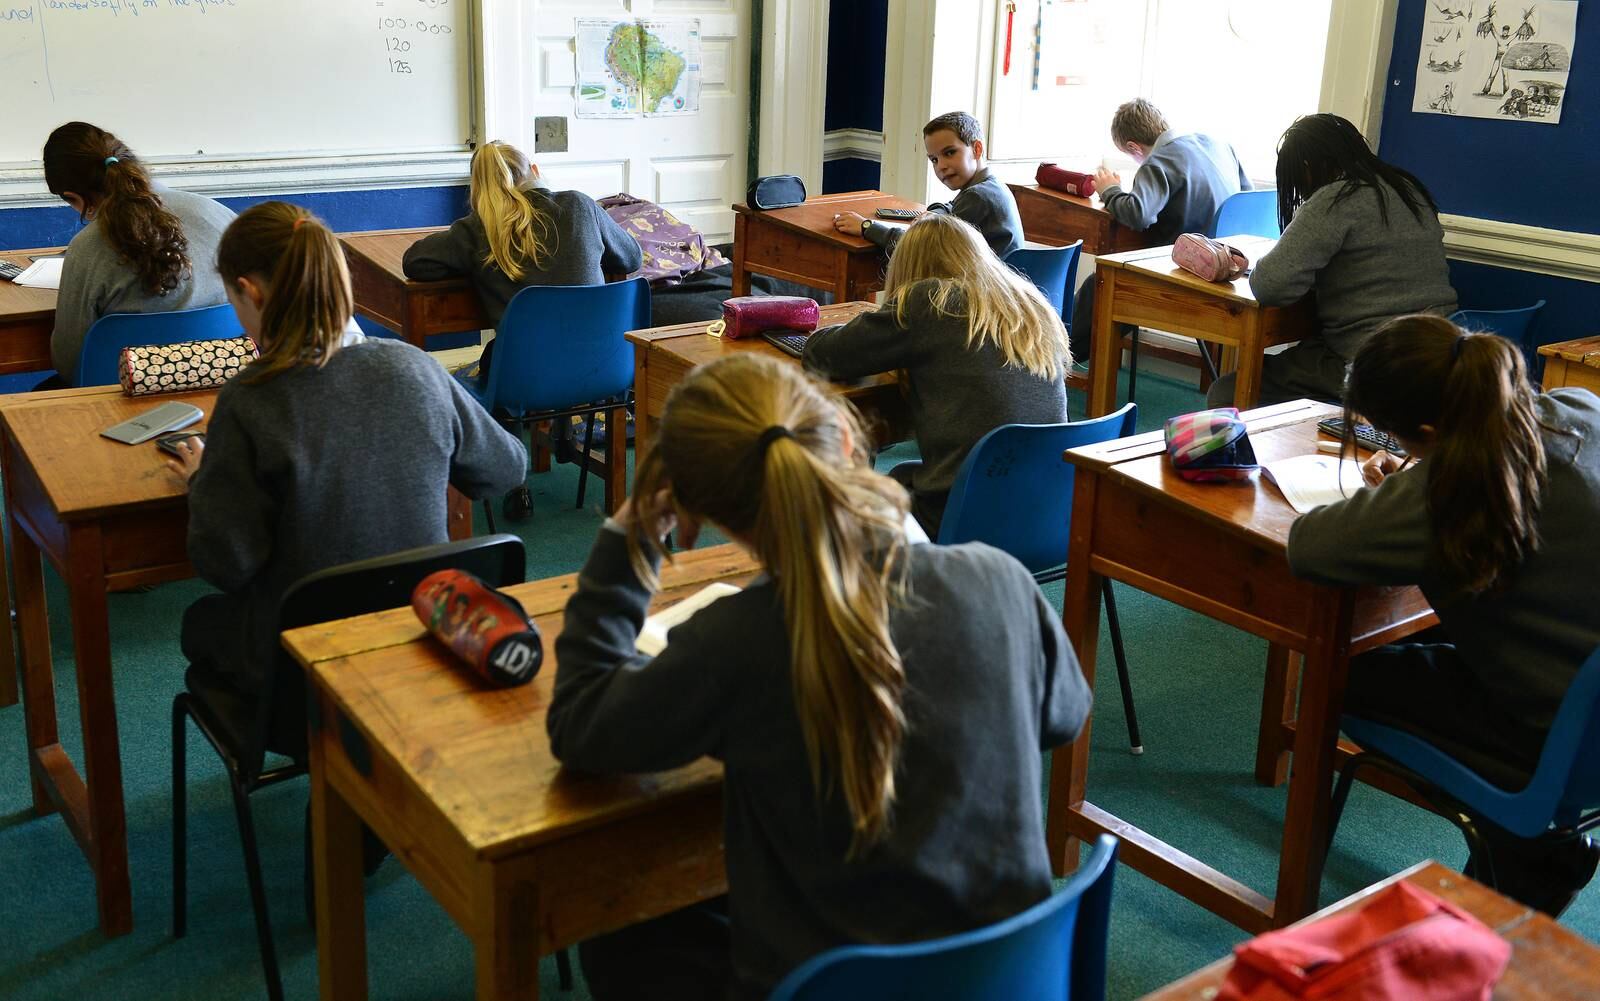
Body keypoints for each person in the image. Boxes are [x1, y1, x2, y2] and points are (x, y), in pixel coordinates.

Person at [547, 352, 1091, 1000]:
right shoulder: (998, 579)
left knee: (622, 932)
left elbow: (580, 720)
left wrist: (631, 532)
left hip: (834, 986)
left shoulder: (735, 641)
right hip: (1010, 979)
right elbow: (1064, 715)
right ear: (842, 436)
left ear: (701, 508)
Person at [167, 202, 526, 742]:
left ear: (252, 292)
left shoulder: (251, 399)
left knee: (200, 622)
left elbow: (226, 563)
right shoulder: (414, 367)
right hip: (424, 645)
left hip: (305, 682)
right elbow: (505, 469)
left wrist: (203, 482)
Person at [1287, 314, 1600, 917]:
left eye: (1399, 439)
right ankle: (1529, 850)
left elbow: (1311, 546)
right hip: (1588, 702)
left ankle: (1525, 843)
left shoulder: (1449, 490)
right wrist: (1420, 471)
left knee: (1347, 676)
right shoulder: (1581, 411)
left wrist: (1406, 489)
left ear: (1428, 431)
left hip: (1558, 735)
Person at [802, 213, 1070, 536]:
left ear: (910, 271)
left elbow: (823, 354)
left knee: (851, 501)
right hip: (1049, 514)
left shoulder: (929, 302)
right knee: (903, 475)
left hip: (966, 516)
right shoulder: (1031, 305)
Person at [1207, 114, 1458, 407]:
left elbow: (1269, 285)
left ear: (1306, 168)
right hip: (1440, 352)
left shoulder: (1336, 198)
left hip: (1375, 361)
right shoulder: (1406, 188)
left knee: (1227, 392)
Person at [402, 140, 643, 381]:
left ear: (479, 189)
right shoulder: (579, 205)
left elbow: (415, 262)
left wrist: (469, 264)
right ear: (535, 171)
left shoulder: (477, 229)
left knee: (487, 362)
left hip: (526, 376)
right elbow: (631, 257)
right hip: (603, 365)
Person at [42, 121, 236, 386]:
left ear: (73, 196)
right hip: (221, 381)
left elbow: (70, 363)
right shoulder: (219, 215)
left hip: (122, 393)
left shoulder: (87, 247)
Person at [1074, 98, 1252, 367]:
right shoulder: (1218, 145)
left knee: (1101, 283)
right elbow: (1247, 200)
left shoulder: (1159, 160)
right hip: (1233, 266)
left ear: (1134, 147)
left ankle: (1056, 358)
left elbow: (1139, 214)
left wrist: (1109, 190)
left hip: (1193, 274)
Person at [831, 111, 1023, 260]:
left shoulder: (978, 197)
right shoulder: (989, 186)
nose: (941, 166)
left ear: (977, 149)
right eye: (934, 159)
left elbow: (920, 248)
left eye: (949, 153)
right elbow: (952, 207)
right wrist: (936, 213)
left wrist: (867, 227)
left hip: (979, 302)